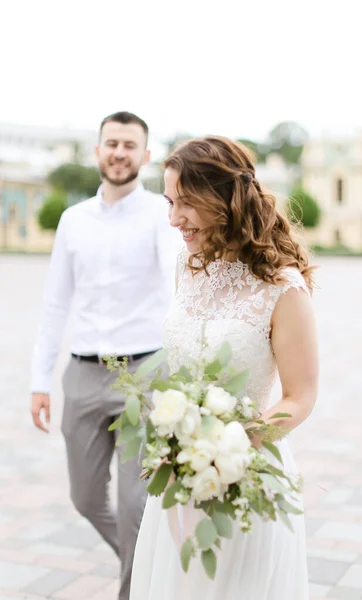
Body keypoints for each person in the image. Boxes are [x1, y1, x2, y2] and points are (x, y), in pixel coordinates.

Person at [129, 136, 319, 599]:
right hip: (181, 471)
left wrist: (235, 443)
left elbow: (301, 395)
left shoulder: (282, 288)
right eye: (170, 202)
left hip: (246, 473)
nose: (174, 219)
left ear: (223, 197)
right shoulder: (186, 265)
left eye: (186, 204)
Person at [30, 111, 182, 600]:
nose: (120, 152)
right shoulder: (73, 221)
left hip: (143, 374)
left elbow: (174, 285)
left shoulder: (163, 214)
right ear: (98, 151)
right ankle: (152, 569)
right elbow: (55, 304)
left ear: (146, 155)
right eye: (111, 143)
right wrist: (40, 379)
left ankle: (134, 591)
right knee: (85, 497)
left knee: (138, 505)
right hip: (82, 373)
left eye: (130, 145)